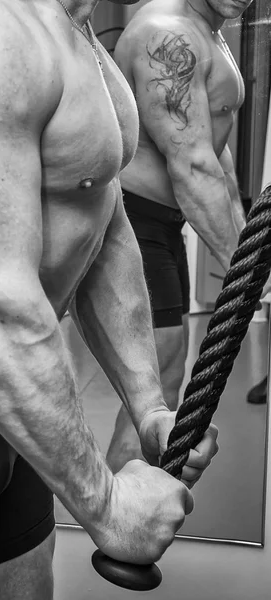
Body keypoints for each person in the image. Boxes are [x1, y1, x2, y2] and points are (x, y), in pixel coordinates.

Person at [0, 0, 219, 598]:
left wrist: (148, 406)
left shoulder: (74, 30)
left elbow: (103, 227)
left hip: (19, 403)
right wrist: (108, 507)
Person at [106, 0, 262, 472]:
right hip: (134, 221)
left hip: (163, 223)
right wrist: (247, 273)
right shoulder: (166, 34)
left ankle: (132, 501)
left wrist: (248, 244)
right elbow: (192, 167)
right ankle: (120, 513)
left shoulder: (210, 31)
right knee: (155, 379)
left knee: (167, 374)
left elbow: (217, 155)